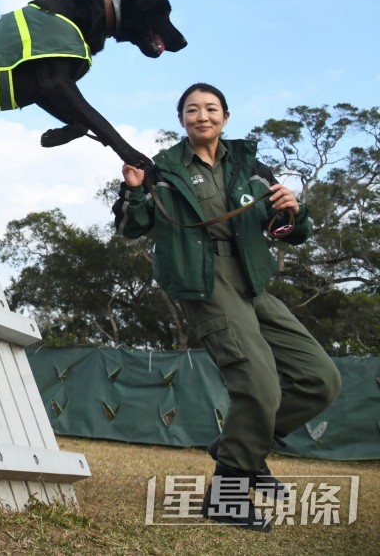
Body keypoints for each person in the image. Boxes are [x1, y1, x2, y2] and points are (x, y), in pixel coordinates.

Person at [112, 82, 341, 532]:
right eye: (192, 110)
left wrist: (295, 210)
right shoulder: (163, 170)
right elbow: (132, 227)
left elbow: (291, 230)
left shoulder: (251, 167)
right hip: (205, 282)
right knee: (258, 383)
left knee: (321, 379)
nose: (203, 116)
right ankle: (227, 493)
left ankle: (239, 447)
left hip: (253, 281)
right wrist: (135, 190)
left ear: (226, 117)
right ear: (181, 120)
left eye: (211, 108)